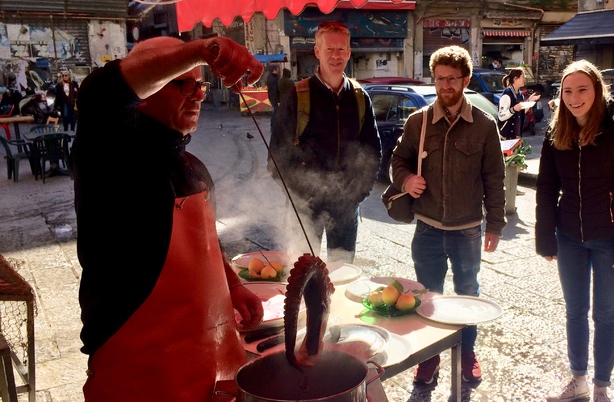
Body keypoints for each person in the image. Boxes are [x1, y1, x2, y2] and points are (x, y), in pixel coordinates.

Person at [71, 36, 265, 401]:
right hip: (138, 374)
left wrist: (233, 286)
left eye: (201, 84)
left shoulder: (190, 165)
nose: (198, 95)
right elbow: (101, 92)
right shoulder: (109, 151)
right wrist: (199, 51)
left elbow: (203, 245)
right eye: (182, 83)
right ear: (144, 89)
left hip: (209, 368)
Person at [390, 45, 506, 386]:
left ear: (466, 80)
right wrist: (406, 179)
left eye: (452, 79)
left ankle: (467, 352)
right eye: (439, 79)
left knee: (467, 294)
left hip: (467, 230)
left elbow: (495, 178)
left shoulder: (483, 126)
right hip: (427, 228)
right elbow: (397, 162)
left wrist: (495, 224)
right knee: (427, 295)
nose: (445, 86)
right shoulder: (418, 122)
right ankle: (429, 358)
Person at [535, 60, 614, 402]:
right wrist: (544, 237)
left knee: (605, 315)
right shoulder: (558, 133)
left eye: (582, 89)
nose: (574, 97)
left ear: (598, 90)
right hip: (569, 236)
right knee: (574, 311)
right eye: (567, 91)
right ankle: (579, 380)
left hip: (610, 240)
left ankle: (601, 387)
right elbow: (546, 188)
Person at [269, 21, 381, 264]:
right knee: (303, 278)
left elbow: (373, 153)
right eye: (329, 49)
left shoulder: (361, 98)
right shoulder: (296, 96)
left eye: (341, 49)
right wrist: (301, 197)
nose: (335, 56)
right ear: (317, 52)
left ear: (349, 53)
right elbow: (276, 160)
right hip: (305, 210)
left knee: (341, 279)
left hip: (345, 209)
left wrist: (356, 196)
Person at [498, 68, 540, 139]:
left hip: (517, 135)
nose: (524, 79)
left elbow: (521, 112)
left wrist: (529, 101)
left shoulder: (520, 94)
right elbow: (501, 116)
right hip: (506, 137)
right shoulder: (507, 94)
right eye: (523, 77)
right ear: (515, 79)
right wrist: (513, 109)